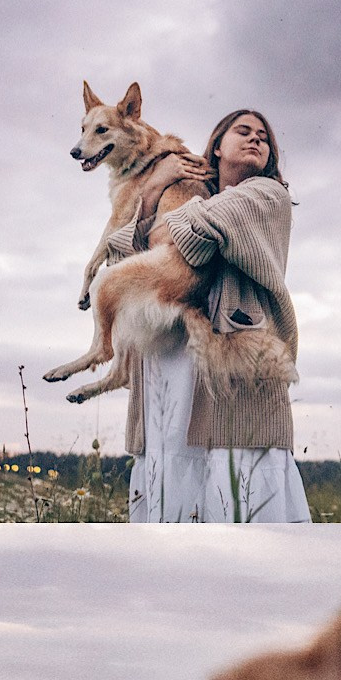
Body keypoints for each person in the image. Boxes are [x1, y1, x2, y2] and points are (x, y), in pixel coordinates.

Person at [108, 110, 311, 524]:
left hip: (231, 353)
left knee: (236, 467)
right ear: (217, 146)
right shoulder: (182, 192)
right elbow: (120, 257)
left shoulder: (267, 195)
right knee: (173, 461)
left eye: (263, 137)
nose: (255, 139)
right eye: (243, 131)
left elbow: (194, 236)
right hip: (169, 356)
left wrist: (158, 225)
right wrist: (156, 187)